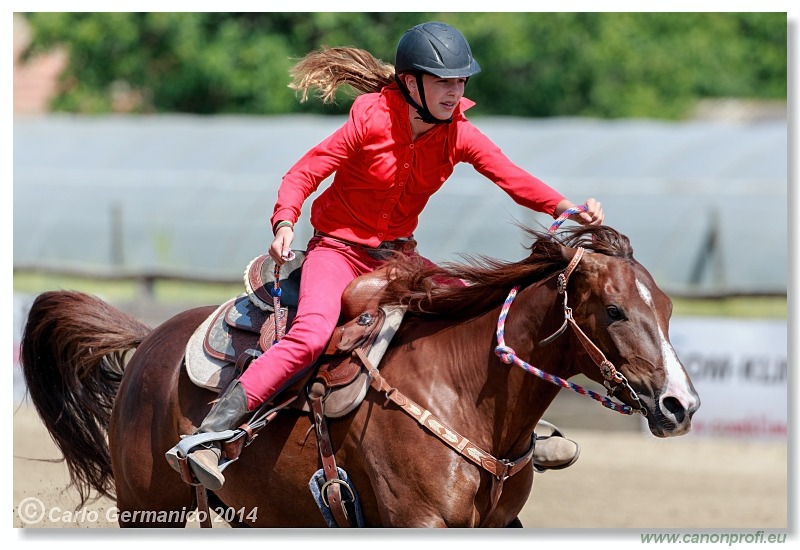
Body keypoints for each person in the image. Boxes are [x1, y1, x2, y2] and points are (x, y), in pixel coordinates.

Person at [173, 21, 603, 490]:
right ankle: (213, 433)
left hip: (400, 258)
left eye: (461, 81)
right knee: (312, 335)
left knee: (483, 313)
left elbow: (510, 176)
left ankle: (517, 429)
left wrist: (567, 208)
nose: (455, 91)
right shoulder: (369, 119)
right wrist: (284, 222)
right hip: (337, 251)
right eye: (445, 81)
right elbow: (304, 172)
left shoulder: (460, 132)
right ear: (412, 83)